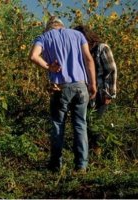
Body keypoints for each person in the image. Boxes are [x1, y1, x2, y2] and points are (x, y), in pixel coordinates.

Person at [29, 16, 97, 173]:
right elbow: (89, 59)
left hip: (60, 87)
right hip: (81, 86)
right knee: (80, 125)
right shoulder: (78, 35)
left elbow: (33, 56)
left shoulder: (44, 37)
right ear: (61, 25)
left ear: (48, 27)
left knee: (58, 125)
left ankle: (55, 166)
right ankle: (81, 166)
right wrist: (92, 84)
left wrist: (48, 67)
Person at [74, 25, 117, 154]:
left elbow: (111, 71)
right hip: (86, 92)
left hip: (102, 92)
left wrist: (109, 94)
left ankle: (97, 151)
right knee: (87, 121)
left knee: (96, 122)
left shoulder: (102, 48)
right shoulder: (82, 51)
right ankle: (89, 150)